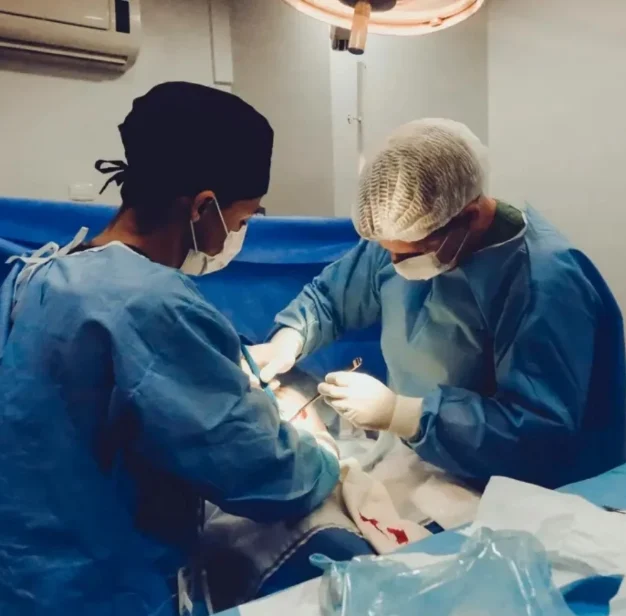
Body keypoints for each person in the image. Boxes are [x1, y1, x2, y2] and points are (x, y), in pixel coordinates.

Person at [0, 82, 339, 616]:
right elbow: (262, 470)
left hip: (24, 607)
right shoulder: (147, 304)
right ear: (203, 207)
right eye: (243, 219)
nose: (239, 233)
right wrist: (321, 452)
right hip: (93, 615)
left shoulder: (42, 274)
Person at [251, 118, 626, 489]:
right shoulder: (405, 232)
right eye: (387, 250)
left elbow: (538, 432)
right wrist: (288, 340)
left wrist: (403, 414)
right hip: (427, 458)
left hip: (531, 488)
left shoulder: (545, 282)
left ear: (470, 216)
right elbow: (333, 298)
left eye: (410, 253)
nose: (393, 264)